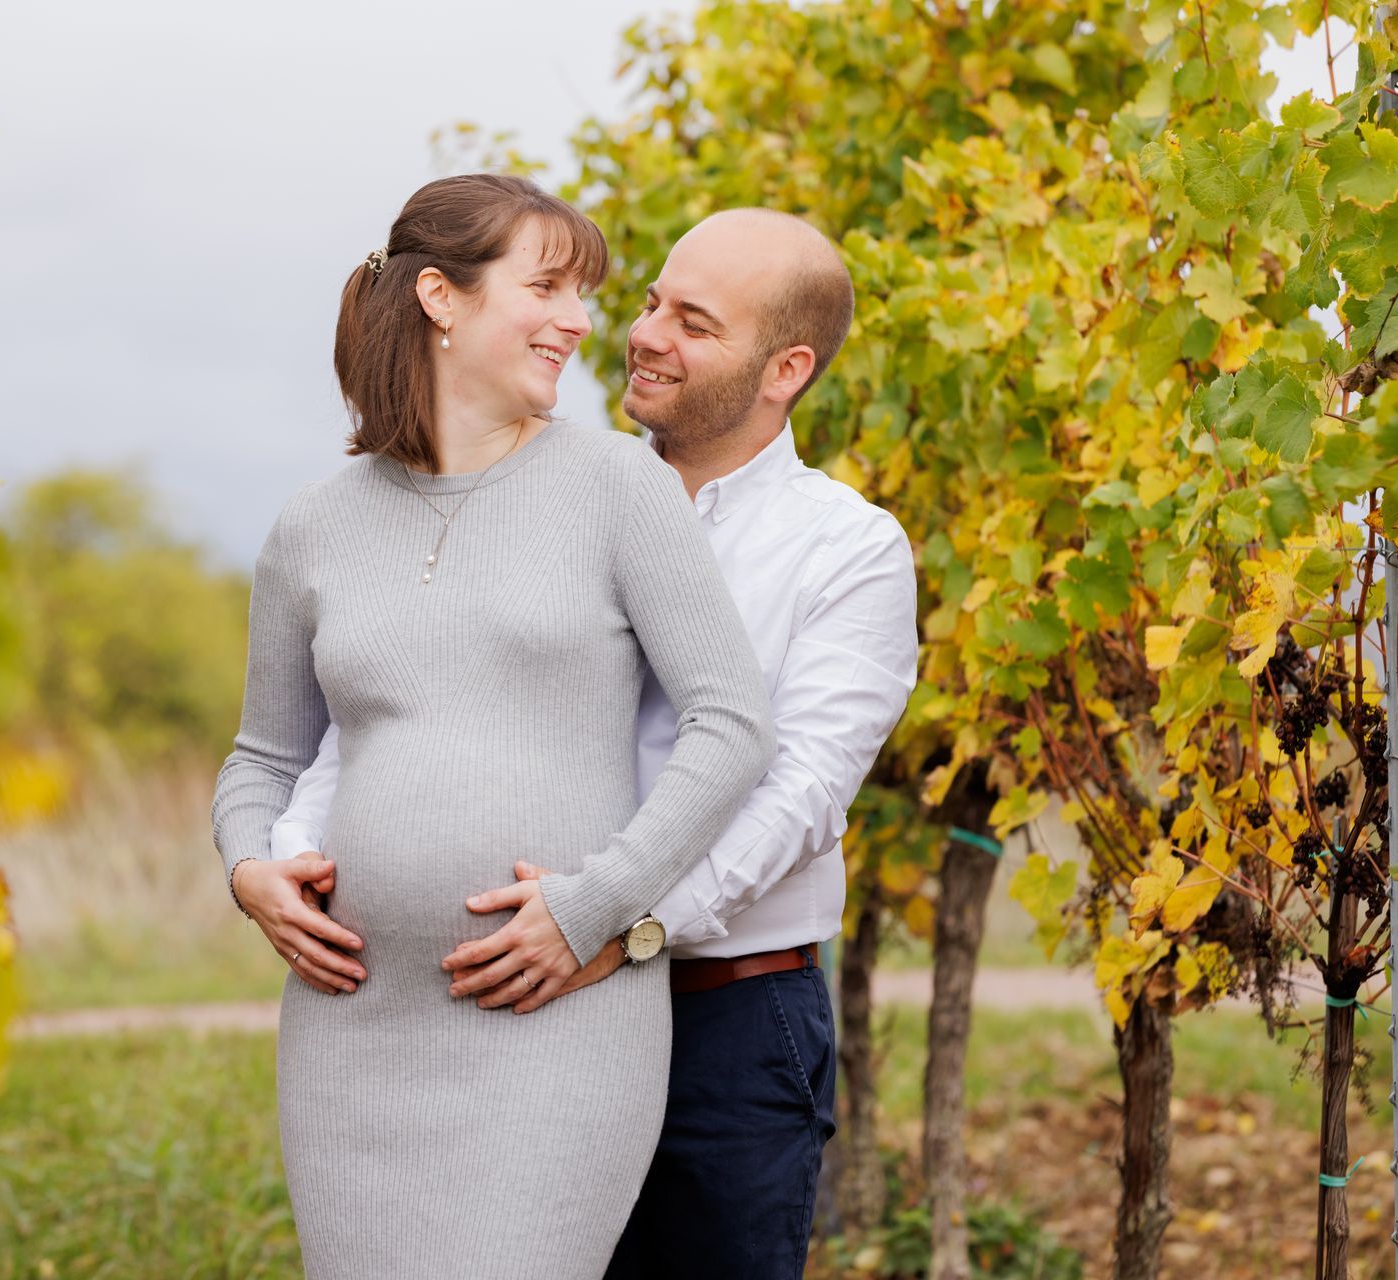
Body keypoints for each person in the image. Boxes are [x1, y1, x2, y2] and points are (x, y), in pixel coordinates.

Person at [272, 208, 919, 1277]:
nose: (644, 334)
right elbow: (391, 702)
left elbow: (799, 791)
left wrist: (625, 924)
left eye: (694, 324)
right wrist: (288, 849)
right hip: (509, 1011)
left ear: (787, 370)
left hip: (723, 1017)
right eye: (653, 302)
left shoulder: (846, 548)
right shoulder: (533, 489)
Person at [209, 174, 775, 1280]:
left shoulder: (618, 485)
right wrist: (246, 869)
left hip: (553, 1022)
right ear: (441, 297)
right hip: (350, 1031)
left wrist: (595, 902)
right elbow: (262, 756)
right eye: (548, 287)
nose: (581, 321)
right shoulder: (312, 527)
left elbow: (732, 722)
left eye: (584, 294)